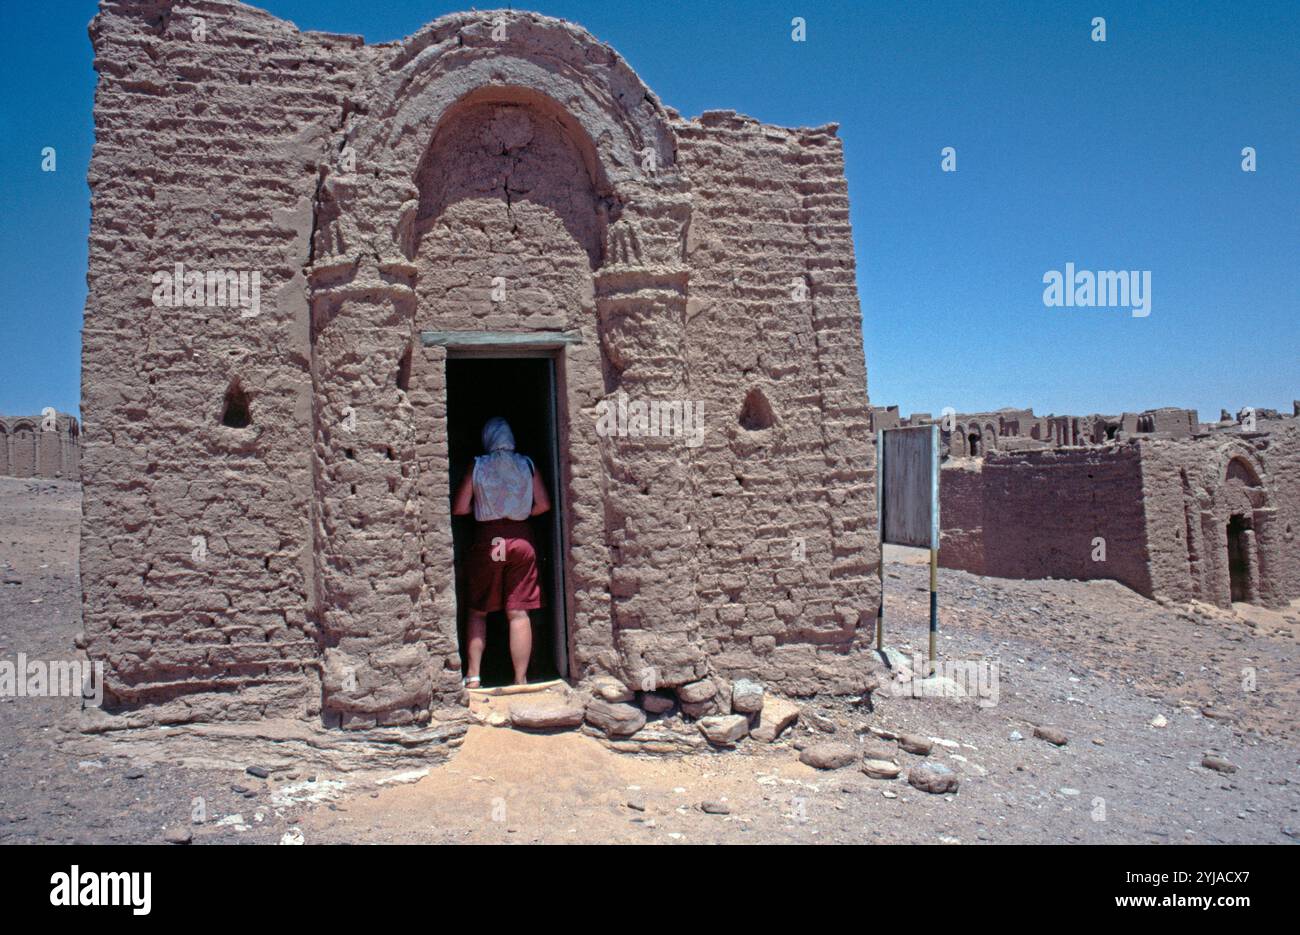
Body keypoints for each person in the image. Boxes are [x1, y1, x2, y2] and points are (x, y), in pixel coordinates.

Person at [451, 416, 551, 687]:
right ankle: (520, 679)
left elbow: (460, 508)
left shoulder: (479, 465)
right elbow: (542, 505)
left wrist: (486, 511)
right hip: (522, 541)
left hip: (489, 540)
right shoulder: (527, 465)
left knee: (478, 611)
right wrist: (517, 513)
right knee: (519, 612)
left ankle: (473, 676)